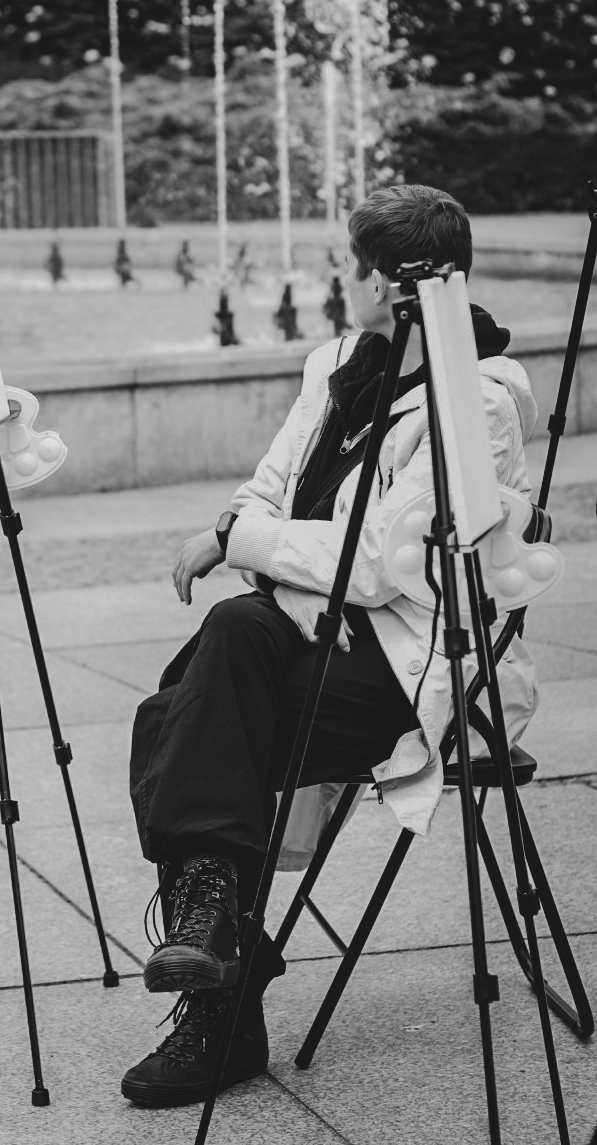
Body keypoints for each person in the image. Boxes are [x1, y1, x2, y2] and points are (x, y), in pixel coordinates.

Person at [123, 184, 539, 1107]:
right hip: (304, 635)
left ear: (389, 284)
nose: (335, 282)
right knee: (218, 665)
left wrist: (245, 549)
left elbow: (382, 565)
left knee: (177, 723)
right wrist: (273, 558)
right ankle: (216, 942)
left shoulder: (476, 401)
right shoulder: (339, 365)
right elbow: (265, 491)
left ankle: (220, 990)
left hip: (413, 663)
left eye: (346, 266)